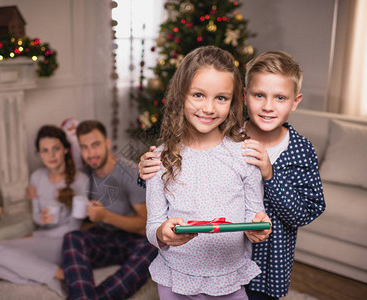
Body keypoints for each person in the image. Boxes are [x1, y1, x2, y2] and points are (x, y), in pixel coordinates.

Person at [139, 51, 326, 300]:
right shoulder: (233, 137)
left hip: (265, 263)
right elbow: (164, 197)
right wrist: (145, 171)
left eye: (280, 97)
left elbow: (297, 210)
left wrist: (269, 175)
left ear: (294, 100)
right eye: (260, 95)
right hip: (188, 269)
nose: (268, 106)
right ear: (245, 97)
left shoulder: (284, 150)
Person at [145, 46, 269, 300]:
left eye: (221, 98)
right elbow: (153, 226)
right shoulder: (158, 160)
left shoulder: (245, 156)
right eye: (198, 95)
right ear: (181, 95)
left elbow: (254, 213)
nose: (209, 108)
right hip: (175, 278)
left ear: (233, 101)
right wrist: (162, 233)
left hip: (230, 277)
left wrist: (258, 226)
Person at [0, 125, 88, 297]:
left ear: (65, 149)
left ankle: (58, 273)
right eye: (45, 150)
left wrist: (39, 237)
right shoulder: (36, 177)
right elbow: (36, 216)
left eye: (56, 148)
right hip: (41, 237)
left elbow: (75, 226)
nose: (51, 155)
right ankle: (44, 277)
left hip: (64, 242)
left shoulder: (80, 179)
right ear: (39, 154)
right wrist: (42, 220)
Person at [61, 120, 158, 300]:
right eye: (85, 148)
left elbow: (144, 226)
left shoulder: (128, 172)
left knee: (153, 247)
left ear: (106, 143)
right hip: (106, 237)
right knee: (72, 239)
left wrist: (105, 216)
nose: (91, 153)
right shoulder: (87, 174)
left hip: (135, 240)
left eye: (96, 145)